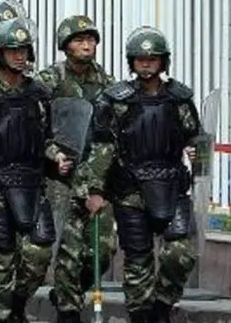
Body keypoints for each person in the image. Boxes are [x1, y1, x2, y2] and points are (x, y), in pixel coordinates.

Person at [86, 26, 201, 323]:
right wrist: (96, 190)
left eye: (153, 58)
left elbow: (196, 138)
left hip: (172, 187)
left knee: (180, 254)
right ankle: (141, 316)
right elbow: (103, 146)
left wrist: (196, 156)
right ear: (132, 62)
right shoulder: (117, 100)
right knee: (138, 263)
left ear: (163, 61)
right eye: (140, 58)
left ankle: (162, 308)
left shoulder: (179, 98)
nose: (147, 63)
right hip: (131, 191)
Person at [0, 17, 67, 323]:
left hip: (32, 184)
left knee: (40, 251)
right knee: (0, 259)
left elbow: (46, 138)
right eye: (12, 50)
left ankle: (17, 304)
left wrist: (56, 157)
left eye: (24, 49)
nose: (20, 56)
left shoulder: (39, 94)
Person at [36, 15, 117, 323]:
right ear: (65, 45)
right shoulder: (49, 79)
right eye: (79, 39)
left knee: (103, 250)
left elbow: (112, 126)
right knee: (68, 250)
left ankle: (70, 291)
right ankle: (68, 311)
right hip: (62, 174)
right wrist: (52, 153)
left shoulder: (106, 81)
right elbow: (36, 123)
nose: (86, 44)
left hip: (96, 174)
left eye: (91, 39)